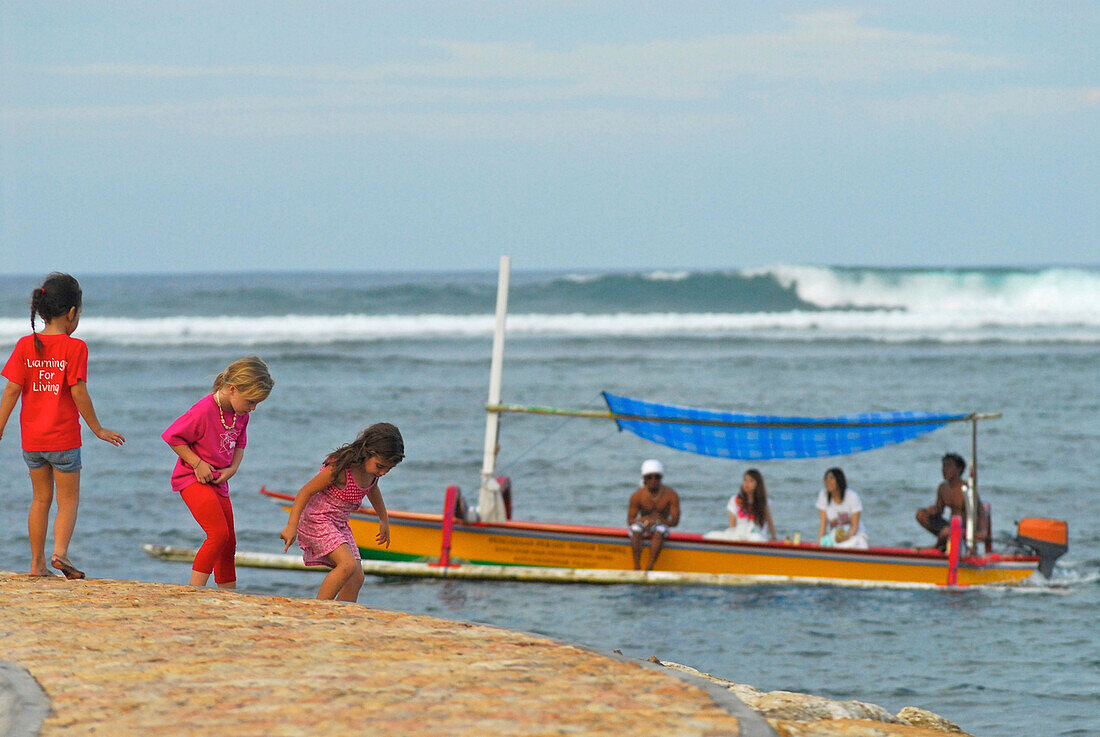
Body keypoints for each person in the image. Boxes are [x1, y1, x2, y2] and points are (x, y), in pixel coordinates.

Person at [0, 273, 125, 579]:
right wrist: (98, 429)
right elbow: (78, 391)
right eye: (78, 313)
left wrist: (0, 426)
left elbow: (12, 390)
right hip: (64, 441)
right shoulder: (75, 348)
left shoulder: (25, 345)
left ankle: (36, 564)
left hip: (32, 441)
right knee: (68, 500)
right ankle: (60, 553)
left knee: (40, 499)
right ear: (71, 313)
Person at [163, 356, 274, 589]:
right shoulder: (203, 410)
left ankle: (228, 593)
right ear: (232, 389)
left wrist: (233, 468)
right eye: (251, 401)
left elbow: (240, 442)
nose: (253, 408)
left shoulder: (241, 413)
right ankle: (195, 590)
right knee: (217, 534)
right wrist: (197, 463)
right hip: (192, 479)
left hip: (218, 482)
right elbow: (173, 436)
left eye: (257, 404)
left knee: (229, 541)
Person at [280, 423, 404, 602]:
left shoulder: (372, 474)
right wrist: (291, 526)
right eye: (380, 466)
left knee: (356, 577)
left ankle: (343, 616)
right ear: (368, 452)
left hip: (338, 524)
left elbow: (373, 490)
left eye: (388, 469)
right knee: (346, 564)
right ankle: (318, 610)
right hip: (318, 519)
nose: (383, 472)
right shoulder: (341, 470)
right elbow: (305, 491)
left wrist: (384, 520)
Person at [916, 452, 983, 551]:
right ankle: (943, 542)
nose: (944, 469)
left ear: (959, 469)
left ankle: (936, 548)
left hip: (965, 528)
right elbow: (939, 510)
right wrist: (933, 510)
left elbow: (980, 512)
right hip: (950, 526)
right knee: (921, 515)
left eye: (949, 466)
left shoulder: (966, 489)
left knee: (947, 532)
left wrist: (982, 532)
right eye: (944, 466)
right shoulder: (943, 488)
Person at [627, 459, 681, 571]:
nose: (653, 480)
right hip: (644, 524)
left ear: (661, 478)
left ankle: (650, 566)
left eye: (657, 477)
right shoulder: (638, 495)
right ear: (644, 479)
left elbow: (675, 521)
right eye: (649, 477)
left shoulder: (671, 495)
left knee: (659, 531)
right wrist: (643, 520)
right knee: (636, 530)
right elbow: (630, 520)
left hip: (661, 524)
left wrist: (660, 520)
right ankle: (636, 565)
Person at [815, 467, 869, 549]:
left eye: (831, 478)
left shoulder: (852, 496)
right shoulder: (823, 496)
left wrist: (846, 538)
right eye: (825, 479)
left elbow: (855, 525)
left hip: (853, 535)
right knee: (829, 543)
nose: (827, 482)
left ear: (839, 480)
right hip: (834, 536)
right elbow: (823, 524)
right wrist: (819, 545)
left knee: (854, 543)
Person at [725, 469, 776, 541]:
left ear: (757, 484)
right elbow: (732, 524)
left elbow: (769, 521)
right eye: (745, 480)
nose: (746, 483)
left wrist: (774, 538)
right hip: (740, 539)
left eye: (751, 481)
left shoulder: (763, 501)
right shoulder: (735, 500)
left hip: (760, 540)